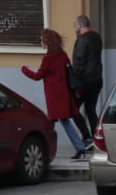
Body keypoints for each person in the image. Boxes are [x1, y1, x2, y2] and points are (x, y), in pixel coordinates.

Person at [21, 28, 91, 159]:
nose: (41, 42)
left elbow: (37, 76)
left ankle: (47, 151)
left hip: (53, 97)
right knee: (63, 122)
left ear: (47, 42)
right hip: (64, 94)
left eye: (42, 40)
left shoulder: (48, 58)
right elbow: (69, 71)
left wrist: (24, 70)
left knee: (51, 124)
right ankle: (79, 147)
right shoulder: (62, 55)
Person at [71, 14, 104, 141]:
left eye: (75, 26)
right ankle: (96, 138)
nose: (74, 29)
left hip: (85, 81)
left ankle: (86, 137)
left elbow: (79, 62)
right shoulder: (97, 37)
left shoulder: (82, 40)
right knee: (91, 110)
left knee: (73, 109)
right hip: (97, 79)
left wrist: (75, 83)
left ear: (79, 25)